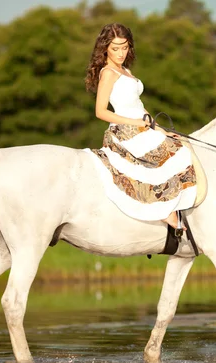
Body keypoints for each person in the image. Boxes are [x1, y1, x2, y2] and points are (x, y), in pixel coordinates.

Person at [84, 23, 198, 231]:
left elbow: (139, 106)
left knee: (178, 145)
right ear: (105, 48)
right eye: (115, 48)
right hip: (125, 131)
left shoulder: (125, 70)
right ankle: (165, 211)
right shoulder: (108, 73)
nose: (120, 53)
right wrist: (136, 123)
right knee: (173, 154)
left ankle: (176, 207)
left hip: (142, 127)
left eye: (124, 47)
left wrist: (160, 129)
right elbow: (100, 111)